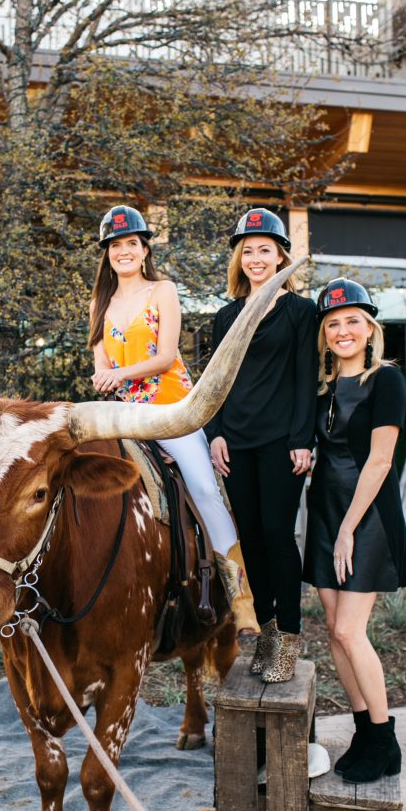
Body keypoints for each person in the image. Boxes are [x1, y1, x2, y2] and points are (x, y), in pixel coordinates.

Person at [88, 204, 259, 633]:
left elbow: (165, 356)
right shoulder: (100, 302)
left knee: (203, 488)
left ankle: (241, 600)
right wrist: (102, 380)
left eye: (131, 243)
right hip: (124, 415)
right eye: (115, 245)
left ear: (145, 249)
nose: (123, 251)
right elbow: (99, 363)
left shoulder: (162, 290)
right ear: (106, 253)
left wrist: (116, 375)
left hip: (170, 409)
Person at [303, 277, 406, 783]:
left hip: (364, 517)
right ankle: (363, 729)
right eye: (333, 324)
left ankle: (386, 741)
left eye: (352, 322)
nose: (343, 331)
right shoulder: (322, 386)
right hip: (325, 510)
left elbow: (381, 460)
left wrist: (348, 529)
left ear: (369, 328)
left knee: (351, 629)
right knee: (333, 630)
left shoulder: (386, 379)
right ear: (324, 334)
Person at [205, 208, 317, 682]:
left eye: (264, 250)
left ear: (280, 257)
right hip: (236, 442)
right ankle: (267, 633)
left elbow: (305, 379)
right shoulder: (225, 316)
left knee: (277, 536)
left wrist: (301, 440)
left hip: (281, 443)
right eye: (247, 251)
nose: (255, 258)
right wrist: (215, 435)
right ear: (239, 259)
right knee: (249, 542)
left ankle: (288, 638)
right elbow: (215, 382)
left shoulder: (301, 312)